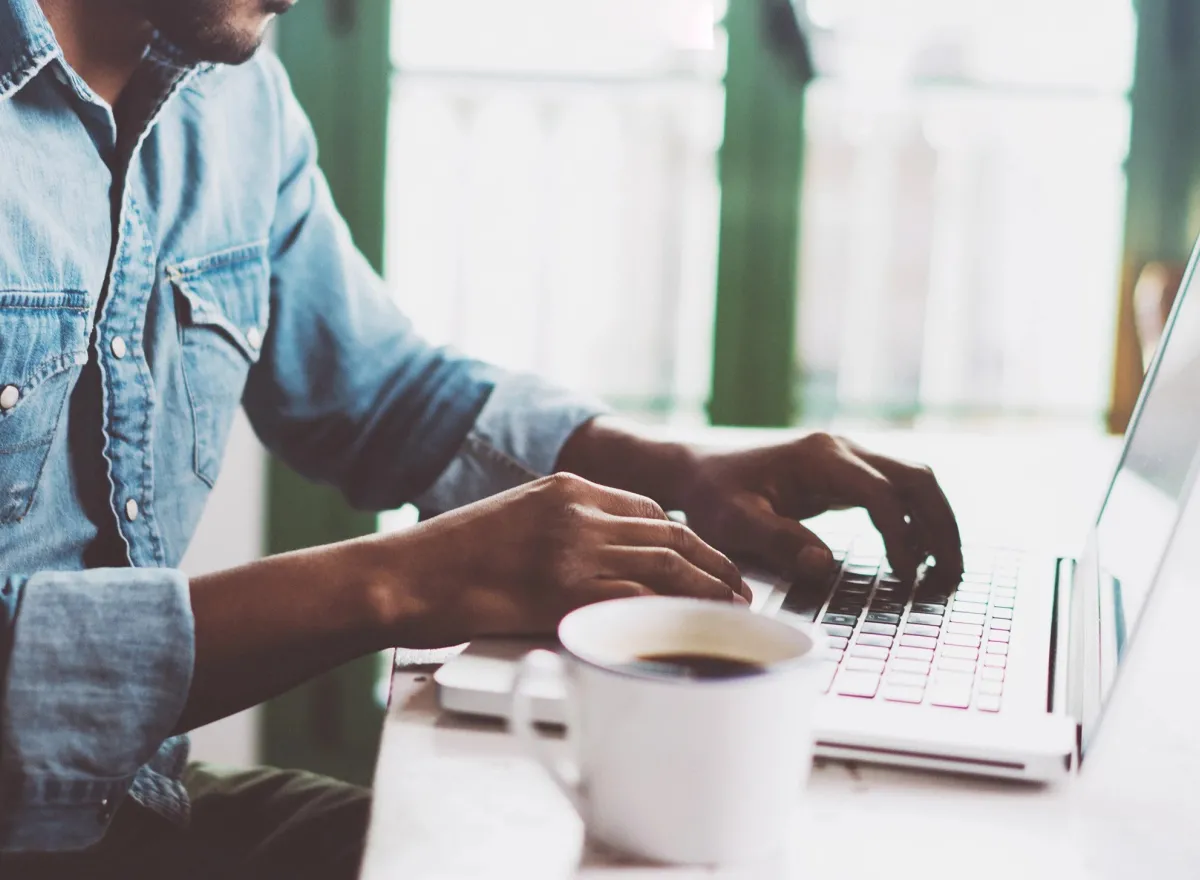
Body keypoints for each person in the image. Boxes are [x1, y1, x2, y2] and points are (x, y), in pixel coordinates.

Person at [0, 0, 963, 876]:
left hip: (129, 816)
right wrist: (400, 579)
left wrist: (684, 473)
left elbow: (388, 395)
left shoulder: (237, 106)